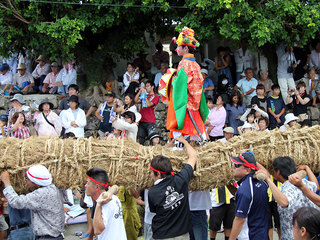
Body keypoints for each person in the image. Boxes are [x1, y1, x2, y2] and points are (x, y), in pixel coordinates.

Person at [257, 158, 319, 240]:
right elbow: (316, 186)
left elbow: (284, 202)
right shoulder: (303, 182)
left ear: (278, 172)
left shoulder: (287, 187)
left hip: (293, 236)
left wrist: (268, 180)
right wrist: (307, 169)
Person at [148, 136, 196, 240]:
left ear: (159, 174)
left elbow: (154, 211)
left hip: (163, 235)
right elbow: (193, 157)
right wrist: (184, 142)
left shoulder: (153, 192)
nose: (151, 175)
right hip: (183, 235)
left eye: (152, 172)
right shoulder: (181, 179)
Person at [0, 164, 64, 239]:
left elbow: (16, 202)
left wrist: (7, 182)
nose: (26, 182)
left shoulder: (41, 194)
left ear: (37, 183)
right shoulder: (52, 188)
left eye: (27, 179)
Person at [229, 151, 268, 240]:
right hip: (262, 235)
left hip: (248, 236)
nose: (233, 167)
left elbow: (239, 220)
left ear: (247, 170)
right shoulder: (263, 182)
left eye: (237, 165)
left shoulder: (244, 190)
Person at [85, 168, 127, 240]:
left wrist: (98, 205)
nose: (85, 186)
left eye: (88, 183)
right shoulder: (114, 198)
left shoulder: (105, 203)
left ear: (97, 187)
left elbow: (97, 230)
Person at [135, 81, 159, 145]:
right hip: (142, 120)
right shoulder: (144, 96)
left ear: (152, 87)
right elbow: (135, 100)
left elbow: (148, 104)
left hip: (150, 121)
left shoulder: (156, 96)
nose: (146, 88)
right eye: (146, 86)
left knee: (153, 140)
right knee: (140, 139)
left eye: (148, 86)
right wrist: (140, 92)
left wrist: (144, 95)